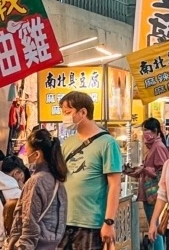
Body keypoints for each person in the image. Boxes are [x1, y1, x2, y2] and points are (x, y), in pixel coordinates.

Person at [58, 91, 123, 249]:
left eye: (68, 112)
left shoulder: (107, 143)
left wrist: (109, 222)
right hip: (64, 221)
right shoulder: (67, 143)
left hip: (91, 223)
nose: (64, 118)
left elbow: (115, 185)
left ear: (83, 112)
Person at [4, 127, 69, 250]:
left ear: (37, 154)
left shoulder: (36, 181)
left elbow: (29, 226)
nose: (26, 158)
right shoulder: (57, 181)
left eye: (27, 153)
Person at [127, 118, 169, 250]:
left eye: (147, 130)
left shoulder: (158, 147)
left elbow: (163, 171)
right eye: (143, 130)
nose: (144, 133)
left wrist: (144, 169)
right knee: (154, 227)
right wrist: (132, 171)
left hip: (154, 195)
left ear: (156, 131)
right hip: (149, 195)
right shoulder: (153, 147)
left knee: (154, 228)